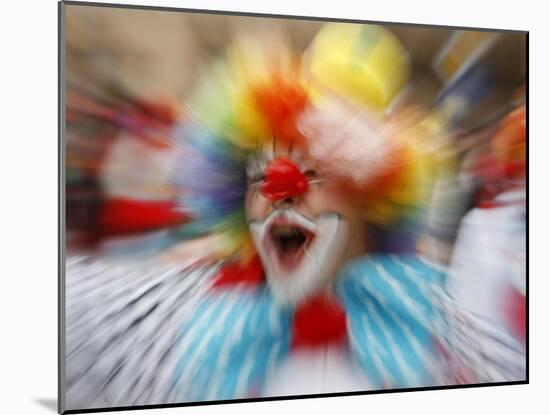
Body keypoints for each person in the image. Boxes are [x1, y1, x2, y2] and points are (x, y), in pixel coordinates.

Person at [64, 23, 525, 410]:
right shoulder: (176, 320)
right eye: (257, 175)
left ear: (371, 206)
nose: (279, 191)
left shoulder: (449, 342)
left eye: (314, 174)